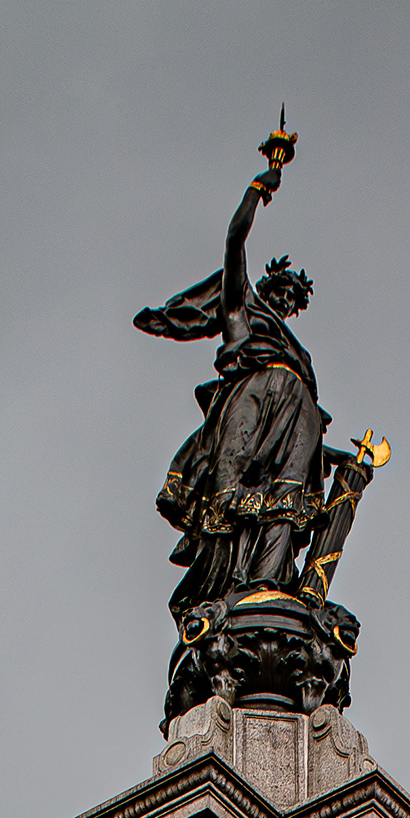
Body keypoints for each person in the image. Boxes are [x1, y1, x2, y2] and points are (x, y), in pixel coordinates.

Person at [135, 163, 333, 623]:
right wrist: (257, 190)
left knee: (289, 494)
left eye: (293, 298)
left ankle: (268, 585)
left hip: (300, 405)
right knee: (233, 482)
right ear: (265, 285)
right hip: (253, 391)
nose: (284, 300)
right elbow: (234, 242)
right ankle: (233, 578)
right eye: (280, 289)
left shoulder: (296, 350)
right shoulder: (240, 309)